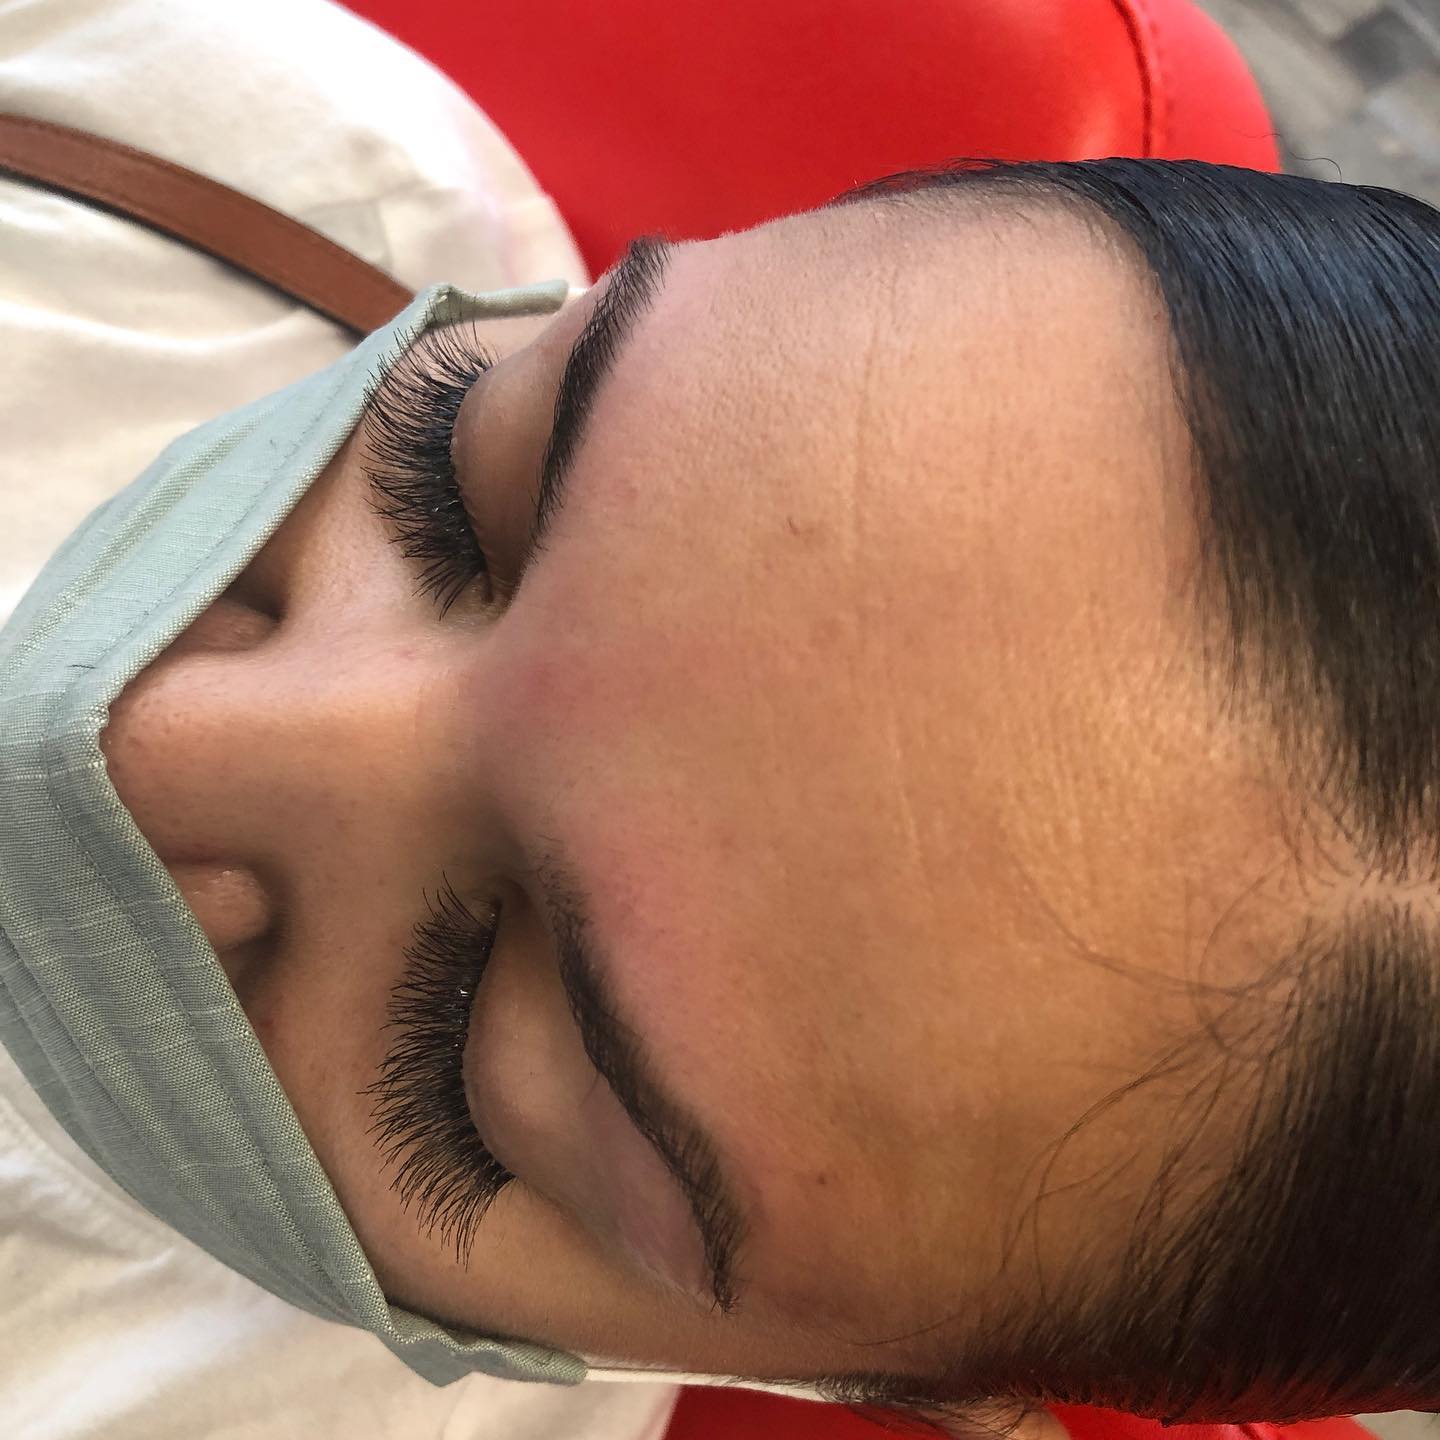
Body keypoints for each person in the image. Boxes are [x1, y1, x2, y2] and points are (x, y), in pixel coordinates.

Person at [6, 6, 1440, 1440]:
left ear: (892, 1390)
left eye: (455, 1054)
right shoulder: (255, 158)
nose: (129, 734)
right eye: (450, 477)